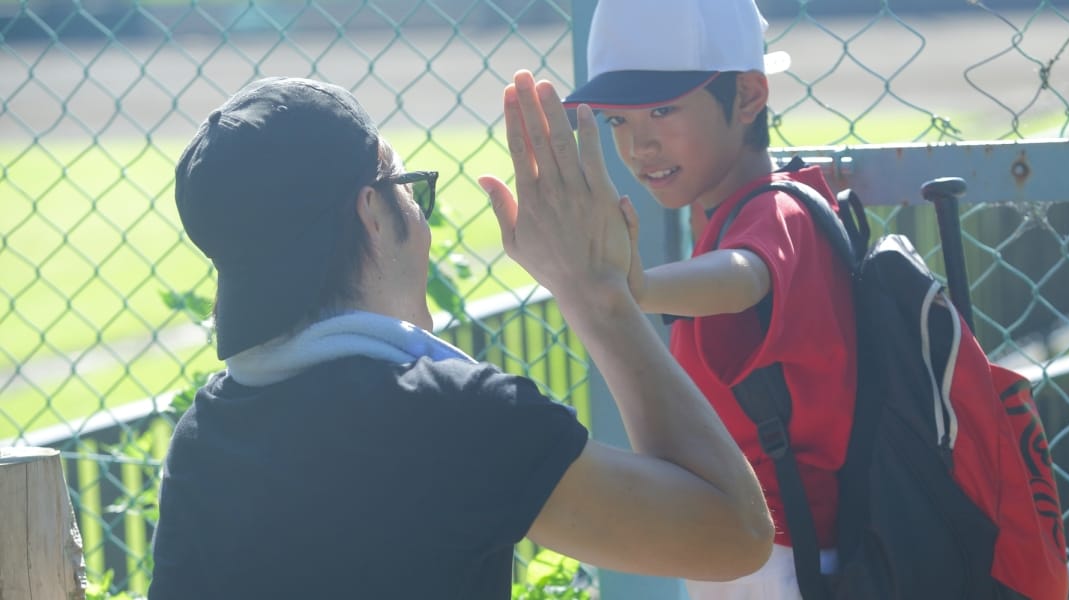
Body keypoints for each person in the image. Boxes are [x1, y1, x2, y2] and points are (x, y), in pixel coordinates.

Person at [148, 74, 774, 599]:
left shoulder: (204, 438)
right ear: (372, 212)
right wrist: (596, 292)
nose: (421, 222)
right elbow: (737, 534)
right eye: (408, 191)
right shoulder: (445, 414)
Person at [561, 0, 858, 598]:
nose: (639, 145)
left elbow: (745, 275)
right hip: (757, 545)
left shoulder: (779, 210)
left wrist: (637, 287)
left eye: (663, 110)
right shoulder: (725, 214)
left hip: (792, 557)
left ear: (748, 96)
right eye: (617, 121)